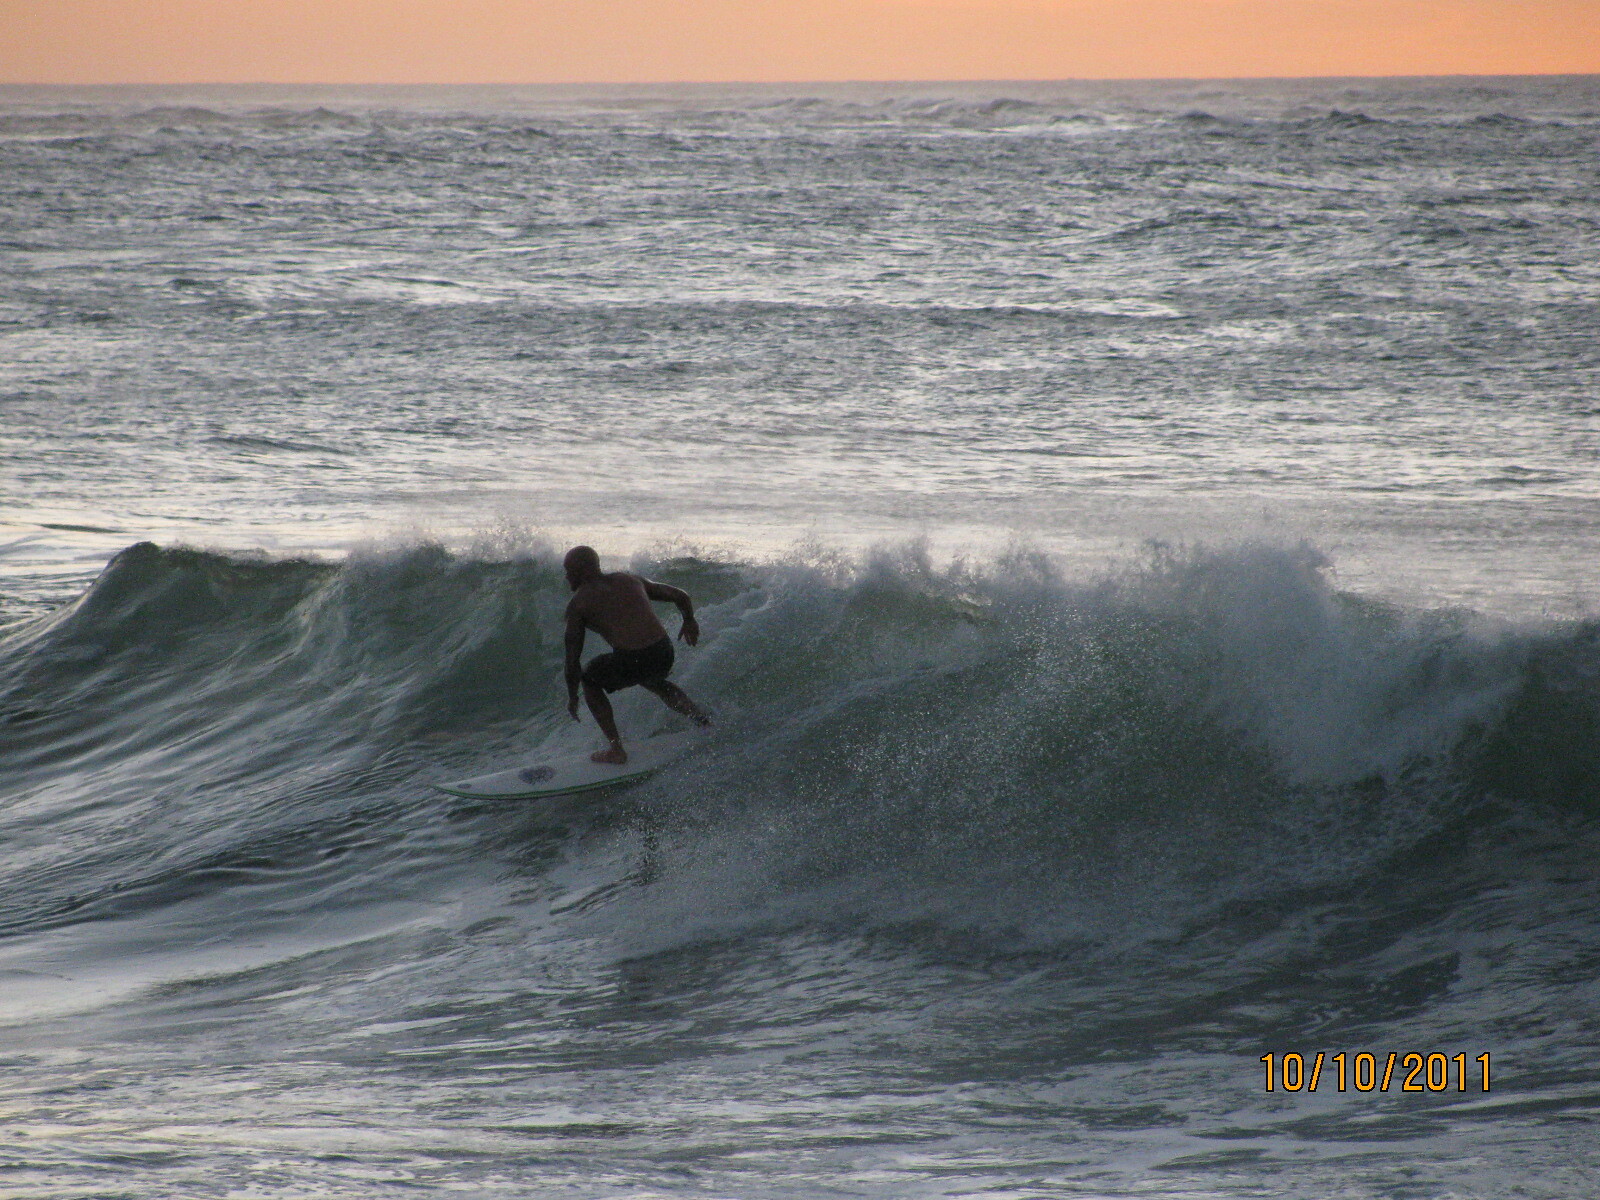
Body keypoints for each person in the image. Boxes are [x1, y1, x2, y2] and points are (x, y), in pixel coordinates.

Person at [562, 545, 711, 764]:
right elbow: (680, 595)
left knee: (590, 678)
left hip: (633, 659)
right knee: (653, 680)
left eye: (569, 570)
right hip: (663, 651)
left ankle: (616, 749)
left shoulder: (578, 605)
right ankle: (704, 723)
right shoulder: (630, 580)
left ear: (583, 570)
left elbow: (572, 660)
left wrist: (573, 697)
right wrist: (689, 620)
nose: (566, 576)